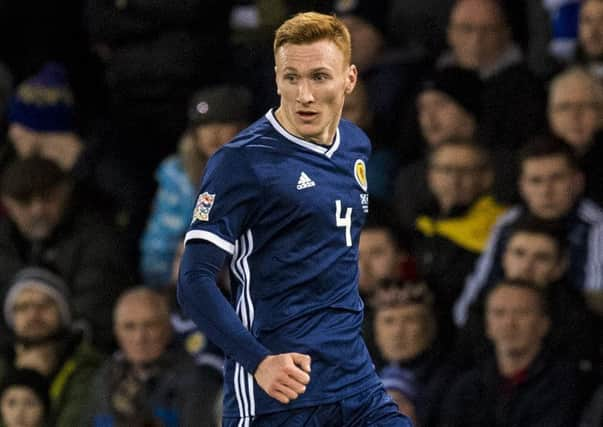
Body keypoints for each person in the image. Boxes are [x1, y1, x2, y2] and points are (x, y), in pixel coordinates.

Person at [177, 11, 411, 426]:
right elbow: (194, 282)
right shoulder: (241, 162)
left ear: (350, 79)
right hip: (280, 394)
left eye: (319, 76)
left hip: (355, 382)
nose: (304, 94)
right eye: (291, 77)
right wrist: (258, 362)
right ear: (276, 79)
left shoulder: (355, 146)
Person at [454, 135, 603, 324]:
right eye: (536, 181)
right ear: (522, 187)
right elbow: (476, 292)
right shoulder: (507, 223)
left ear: (578, 182)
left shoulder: (596, 227)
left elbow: (596, 304)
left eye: (556, 179)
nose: (546, 191)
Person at [0, 156, 131, 349]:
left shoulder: (98, 235)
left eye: (47, 197)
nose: (38, 210)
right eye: (25, 201)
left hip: (84, 353)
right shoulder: (4, 240)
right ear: (7, 204)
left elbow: (96, 311)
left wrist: (43, 346)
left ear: (66, 191)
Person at [140, 84, 252, 286]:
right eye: (205, 125)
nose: (213, 133)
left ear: (242, 127)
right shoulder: (177, 176)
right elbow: (158, 248)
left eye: (223, 122)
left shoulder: (263, 170)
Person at [441, 280, 581, 427]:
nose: (509, 323)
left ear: (544, 324)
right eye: (499, 313)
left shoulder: (565, 384)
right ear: (488, 325)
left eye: (522, 313)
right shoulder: (467, 386)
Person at [85, 287, 218, 427]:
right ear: (117, 332)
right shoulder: (104, 379)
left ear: (168, 328)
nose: (139, 337)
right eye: (129, 327)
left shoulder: (197, 381)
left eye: (150, 325)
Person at [0, 267, 103, 427]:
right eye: (23, 307)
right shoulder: (3, 365)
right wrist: (20, 379)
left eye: (44, 305)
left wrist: (38, 384)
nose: (33, 315)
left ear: (63, 312)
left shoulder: (86, 366)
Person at [547, 66, 603, 206]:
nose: (574, 116)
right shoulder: (537, 159)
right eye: (564, 107)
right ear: (551, 116)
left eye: (585, 106)